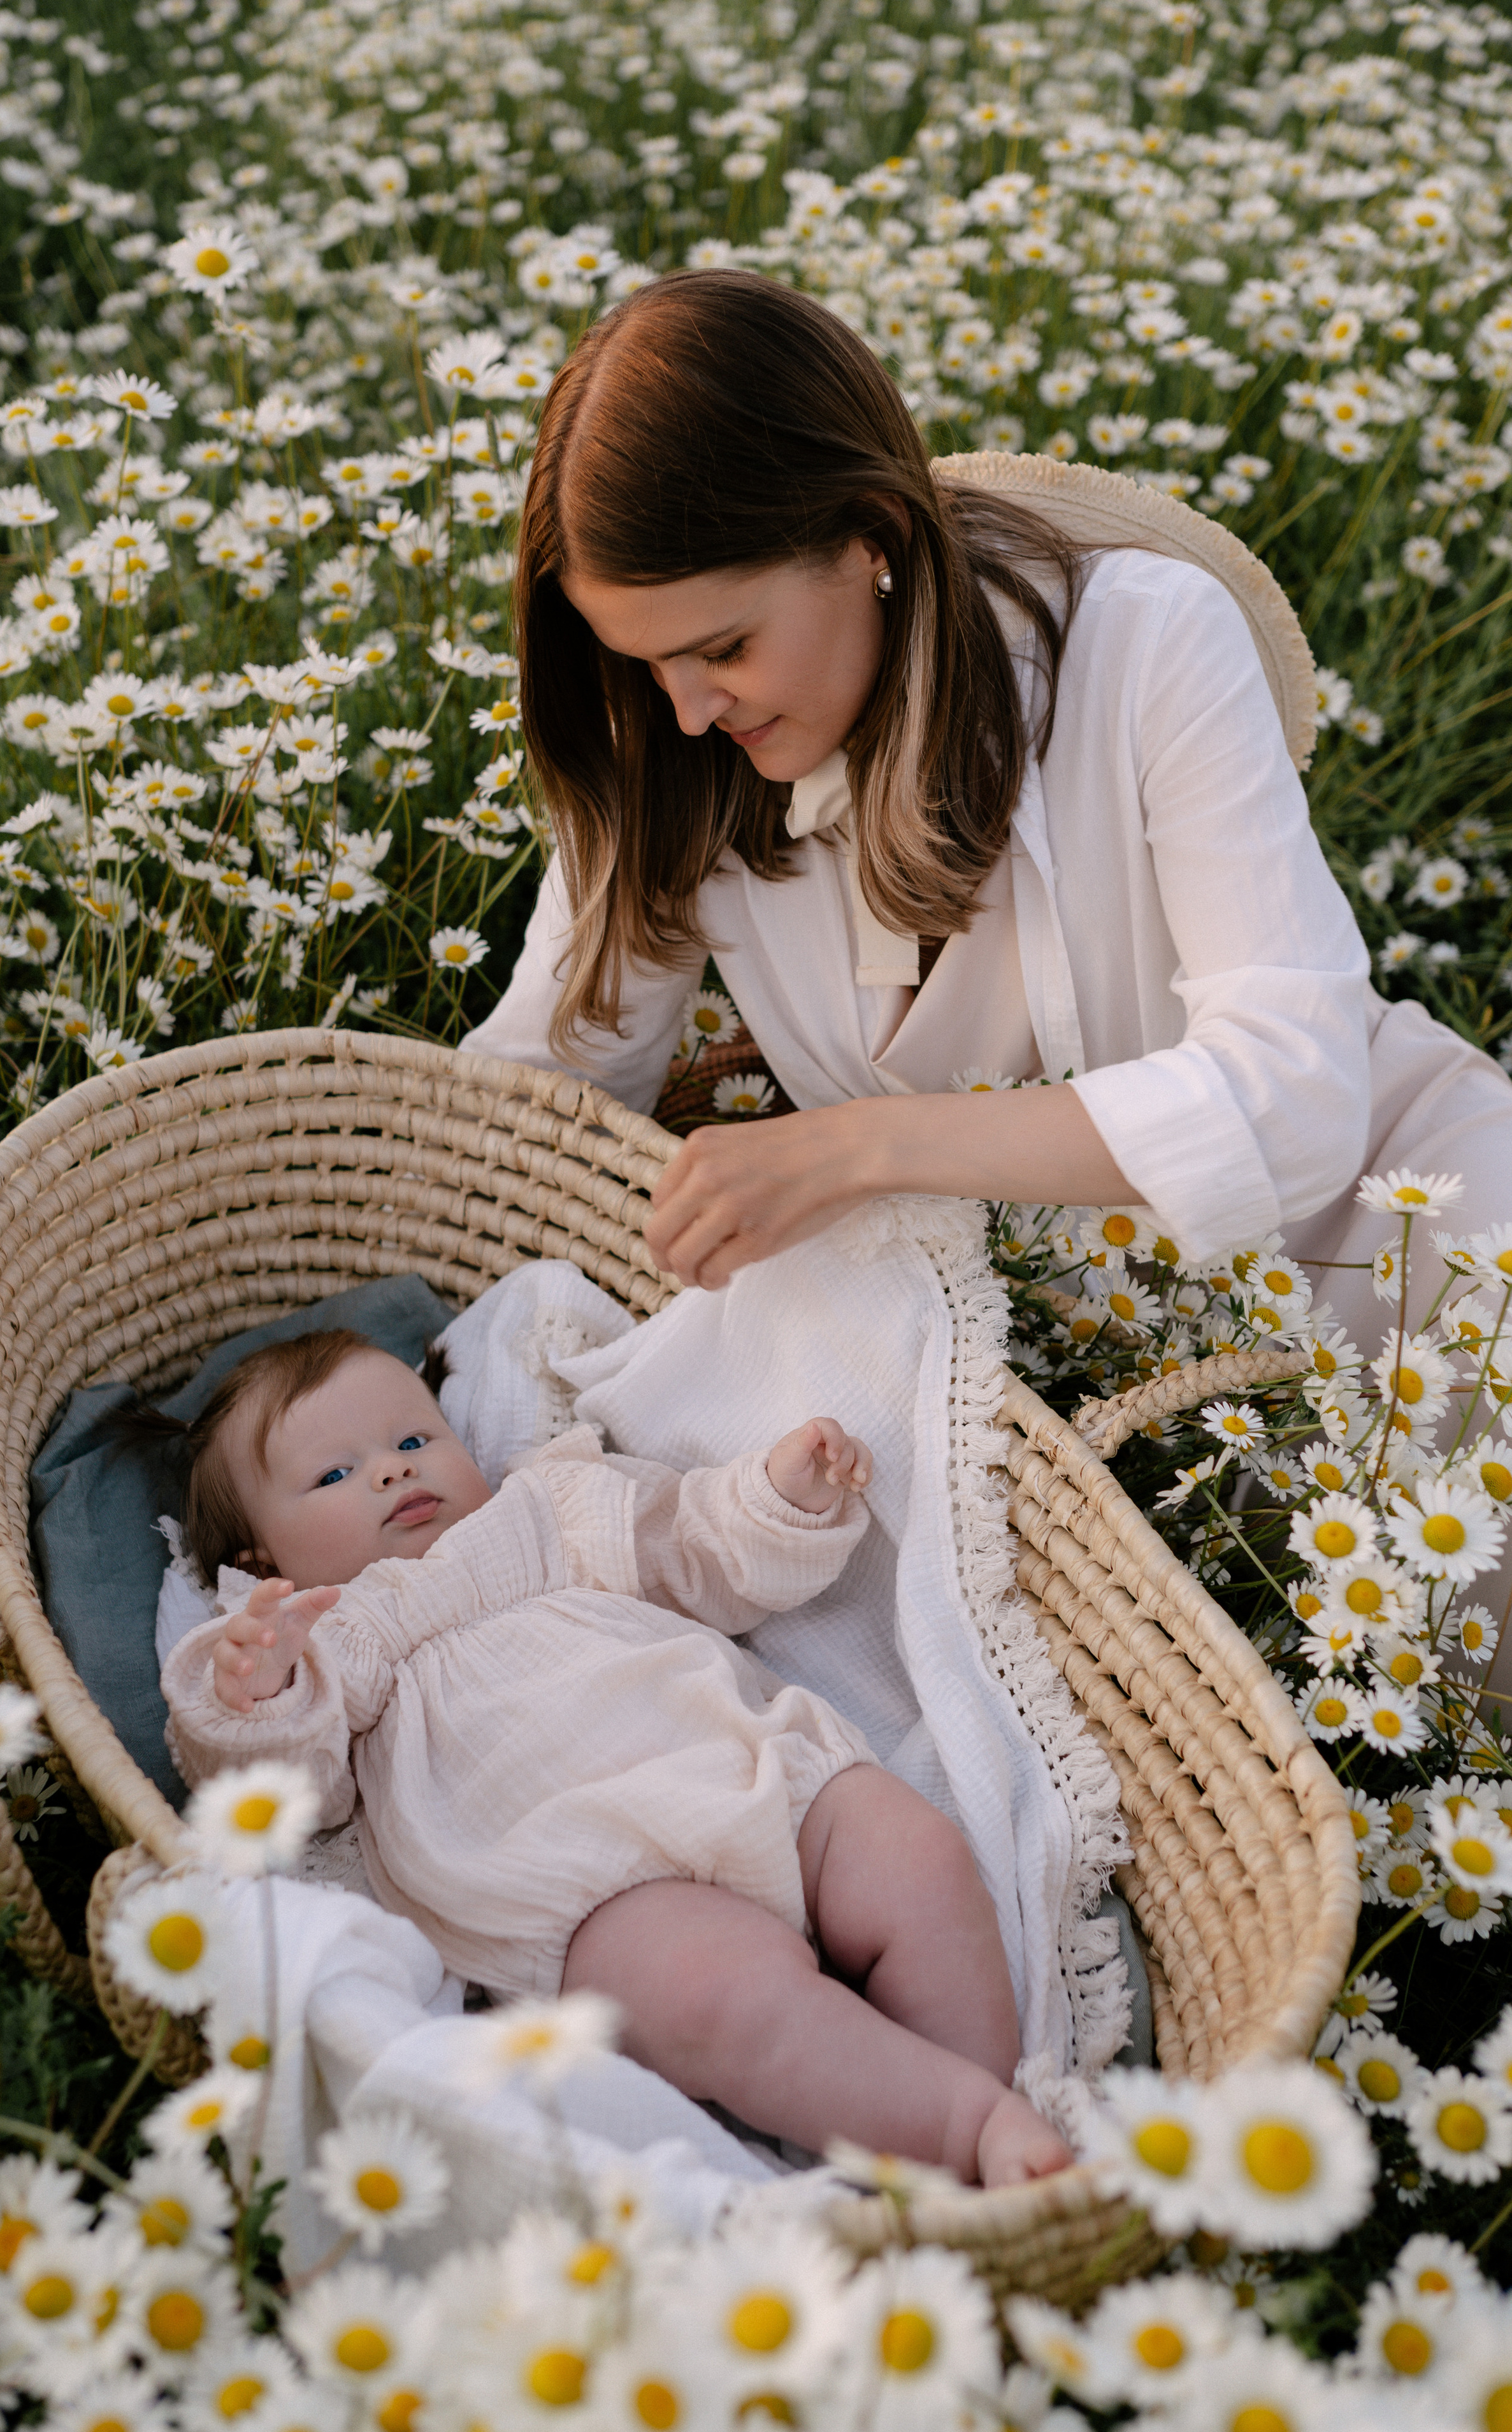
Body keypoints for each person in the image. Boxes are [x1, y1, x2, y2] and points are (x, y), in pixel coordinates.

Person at [460, 266, 1512, 1697]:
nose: (688, 706)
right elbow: (540, 1096)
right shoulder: (671, 756)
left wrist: (852, 1147)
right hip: (1059, 1372)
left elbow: (1296, 1101)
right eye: (639, 664)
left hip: (1398, 1235)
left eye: (721, 647)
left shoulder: (1142, 642)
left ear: (872, 538)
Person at [159, 1328, 1073, 2187]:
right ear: (260, 1557)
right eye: (334, 1473)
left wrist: (777, 1494)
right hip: (589, 1885)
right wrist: (254, 1688)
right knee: (726, 2003)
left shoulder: (548, 1511)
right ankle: (965, 2134)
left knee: (923, 1860)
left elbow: (693, 1548)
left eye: (414, 1436)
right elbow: (280, 1793)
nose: (392, 1469)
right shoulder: (327, 1643)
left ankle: (979, 2102)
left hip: (752, 1765)